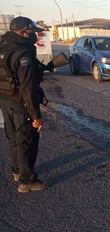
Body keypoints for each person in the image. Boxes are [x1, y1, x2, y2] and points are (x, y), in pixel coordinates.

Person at [0, 16, 51, 193]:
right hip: (21, 103)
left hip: (6, 100)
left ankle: (17, 171)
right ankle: (27, 181)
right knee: (27, 140)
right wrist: (36, 116)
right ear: (23, 32)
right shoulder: (23, 54)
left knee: (13, 137)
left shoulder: (3, 46)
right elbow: (28, 88)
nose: (34, 36)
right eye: (31, 33)